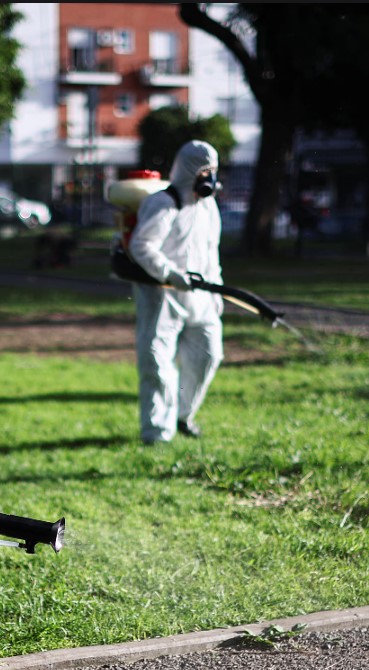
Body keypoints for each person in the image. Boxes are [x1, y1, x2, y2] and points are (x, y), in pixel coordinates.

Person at [126, 140, 224, 444]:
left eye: (213, 170)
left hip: (202, 296)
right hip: (162, 295)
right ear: (189, 170)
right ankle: (157, 433)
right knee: (157, 363)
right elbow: (141, 246)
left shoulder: (209, 207)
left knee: (209, 354)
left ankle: (183, 415)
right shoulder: (163, 203)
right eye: (204, 170)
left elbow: (211, 252)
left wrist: (217, 292)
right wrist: (170, 273)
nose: (208, 177)